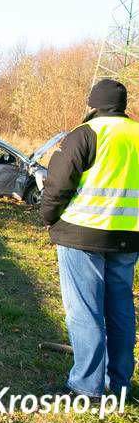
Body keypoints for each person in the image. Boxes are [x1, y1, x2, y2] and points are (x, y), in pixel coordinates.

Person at [40, 79, 139, 399]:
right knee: (121, 310)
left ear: (93, 103)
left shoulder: (85, 134)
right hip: (128, 237)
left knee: (85, 310)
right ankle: (120, 383)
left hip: (82, 233)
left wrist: (48, 217)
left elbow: (58, 184)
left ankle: (86, 385)